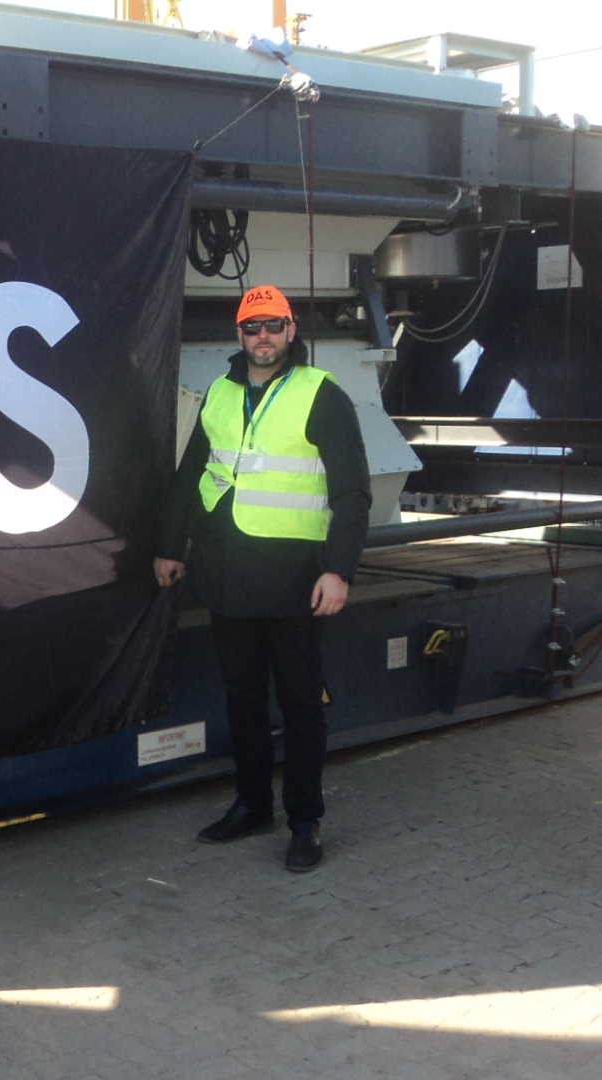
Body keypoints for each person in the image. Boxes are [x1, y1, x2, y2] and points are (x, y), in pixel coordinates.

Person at [153, 284, 370, 872]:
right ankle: (252, 805)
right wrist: (171, 546)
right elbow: (191, 474)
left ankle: (304, 822)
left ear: (291, 329)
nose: (263, 337)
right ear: (240, 334)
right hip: (226, 573)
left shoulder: (321, 394)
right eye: (253, 327)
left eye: (274, 325)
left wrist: (338, 571)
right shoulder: (220, 393)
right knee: (242, 698)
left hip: (295, 579)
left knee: (300, 705)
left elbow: (353, 492)